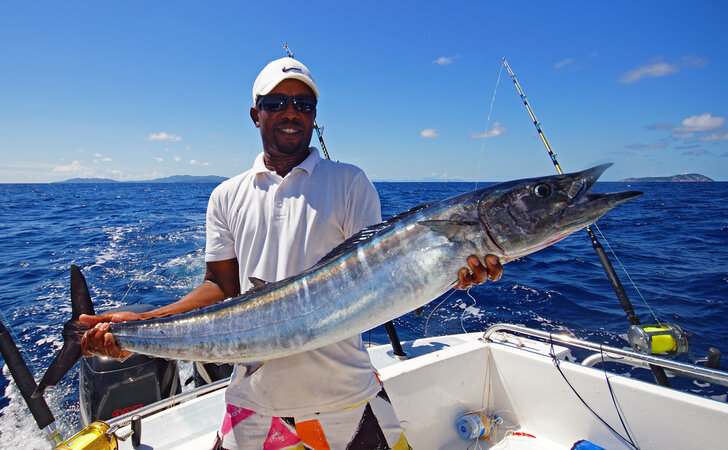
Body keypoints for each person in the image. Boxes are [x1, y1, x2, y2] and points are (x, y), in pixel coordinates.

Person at [80, 56, 503, 449]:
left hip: (348, 395)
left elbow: (386, 282)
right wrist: (142, 323)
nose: (291, 112)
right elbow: (220, 286)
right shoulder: (226, 196)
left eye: (303, 103)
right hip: (254, 399)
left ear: (315, 117)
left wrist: (450, 270)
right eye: (277, 102)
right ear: (255, 114)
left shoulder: (350, 183)